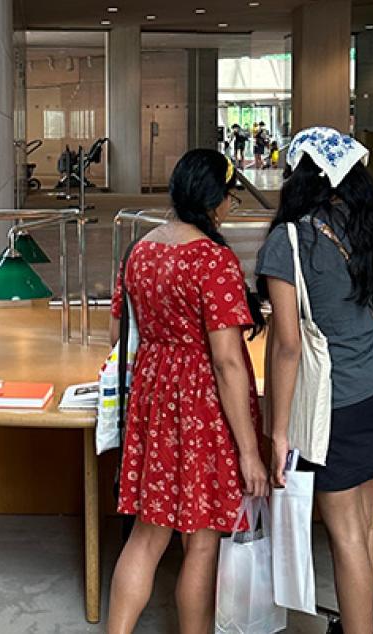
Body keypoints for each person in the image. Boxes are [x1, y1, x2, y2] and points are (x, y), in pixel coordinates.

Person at [255, 126, 373, 634]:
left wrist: (277, 430)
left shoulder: (291, 240)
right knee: (367, 521)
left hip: (338, 405)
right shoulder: (368, 224)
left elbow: (286, 346)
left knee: (345, 532)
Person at [107, 149, 269, 634]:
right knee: (201, 541)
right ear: (214, 197)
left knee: (146, 535)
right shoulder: (212, 260)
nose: (230, 206)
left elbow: (118, 329)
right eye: (230, 197)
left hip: (153, 395)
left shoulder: (140, 250)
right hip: (201, 407)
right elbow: (225, 360)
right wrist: (248, 453)